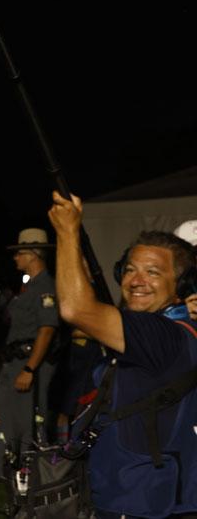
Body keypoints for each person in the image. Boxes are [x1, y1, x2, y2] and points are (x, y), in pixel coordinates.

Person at [49, 193, 197, 518]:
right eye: (129, 270)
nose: (136, 281)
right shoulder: (164, 327)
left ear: (181, 285)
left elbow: (75, 308)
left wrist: (67, 232)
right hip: (132, 493)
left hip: (139, 500)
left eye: (153, 272)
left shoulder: (162, 335)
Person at [0, 227, 59, 480]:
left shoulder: (45, 287)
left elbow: (47, 330)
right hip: (15, 361)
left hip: (29, 364)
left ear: (32, 254)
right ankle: (2, 468)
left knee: (27, 421)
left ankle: (29, 473)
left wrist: (30, 368)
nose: (16, 258)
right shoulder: (29, 287)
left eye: (20, 253)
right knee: (6, 415)